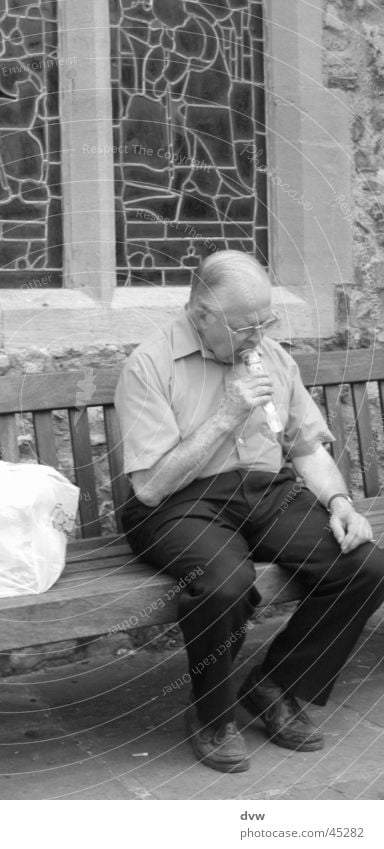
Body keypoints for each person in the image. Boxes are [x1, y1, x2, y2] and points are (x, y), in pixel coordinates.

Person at [114, 249, 384, 773]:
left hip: (265, 492)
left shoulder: (274, 358)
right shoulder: (149, 364)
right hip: (179, 504)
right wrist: (225, 416)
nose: (257, 337)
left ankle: (276, 685)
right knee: (225, 583)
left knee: (364, 564)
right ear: (200, 316)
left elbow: (306, 447)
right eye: (244, 328)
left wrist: (339, 502)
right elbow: (150, 487)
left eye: (267, 323)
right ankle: (212, 715)